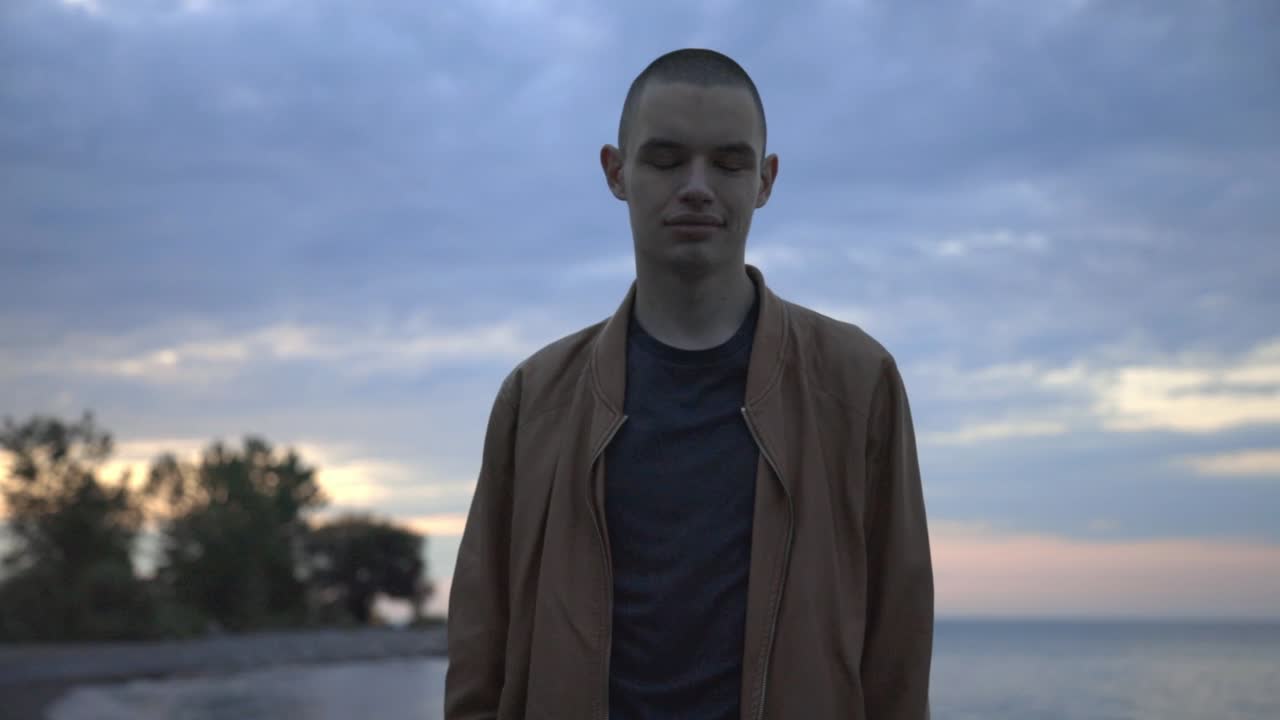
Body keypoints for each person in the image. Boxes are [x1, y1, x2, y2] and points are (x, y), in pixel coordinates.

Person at [446, 48, 933, 720]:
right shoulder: (535, 399)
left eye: (729, 163)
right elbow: (480, 651)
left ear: (765, 180)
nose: (697, 186)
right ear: (616, 172)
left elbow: (897, 651)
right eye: (667, 159)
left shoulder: (857, 384)